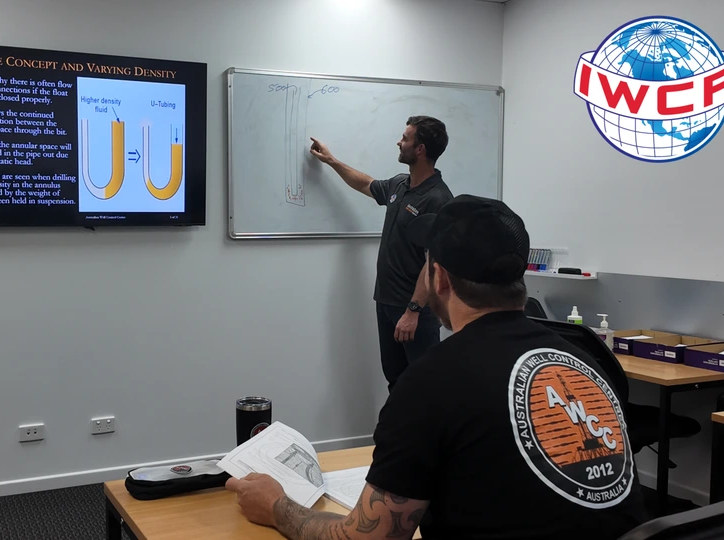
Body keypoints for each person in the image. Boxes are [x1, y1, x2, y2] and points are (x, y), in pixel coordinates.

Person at [226, 195, 649, 539]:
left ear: (439, 278)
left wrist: (277, 507)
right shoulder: (584, 362)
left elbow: (367, 538)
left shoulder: (430, 383)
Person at [309, 116, 454, 391]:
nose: (399, 142)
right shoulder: (400, 184)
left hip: (415, 311)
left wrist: (413, 311)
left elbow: (433, 261)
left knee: (424, 387)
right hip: (387, 303)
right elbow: (366, 184)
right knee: (396, 381)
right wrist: (332, 161)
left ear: (420, 149)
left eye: (405, 138)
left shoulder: (438, 199)